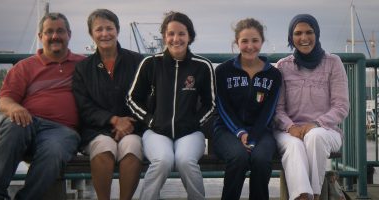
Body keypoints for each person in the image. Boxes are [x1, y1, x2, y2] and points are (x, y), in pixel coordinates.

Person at [0, 12, 85, 200]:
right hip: (28, 122)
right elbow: (5, 100)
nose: (55, 36)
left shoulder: (83, 65)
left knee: (54, 151)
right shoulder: (24, 67)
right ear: (41, 37)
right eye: (49, 32)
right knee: (12, 126)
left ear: (69, 35)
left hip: (62, 131)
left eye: (60, 31)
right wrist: (15, 108)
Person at [127, 11, 216, 200]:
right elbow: (132, 98)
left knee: (186, 161)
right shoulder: (150, 63)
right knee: (162, 161)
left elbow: (211, 104)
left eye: (182, 33)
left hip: (191, 133)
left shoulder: (202, 66)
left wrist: (193, 123)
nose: (176, 38)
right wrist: (151, 120)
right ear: (164, 36)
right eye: (171, 33)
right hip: (156, 132)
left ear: (190, 36)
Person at [274, 14, 349, 200]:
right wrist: (290, 126)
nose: (304, 38)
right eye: (298, 33)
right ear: (291, 38)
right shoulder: (283, 66)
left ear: (317, 34)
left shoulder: (333, 63)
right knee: (294, 146)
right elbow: (278, 109)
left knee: (314, 137)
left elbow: (341, 106)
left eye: (309, 32)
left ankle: (314, 195)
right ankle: (302, 196)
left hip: (325, 130)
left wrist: (316, 123)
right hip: (289, 131)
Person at [72, 9, 144, 200]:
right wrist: (113, 120)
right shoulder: (83, 68)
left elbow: (147, 99)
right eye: (99, 29)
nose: (105, 34)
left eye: (109, 28)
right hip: (97, 129)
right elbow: (84, 106)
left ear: (117, 30)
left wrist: (128, 123)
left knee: (133, 146)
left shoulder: (138, 61)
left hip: (132, 127)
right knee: (104, 146)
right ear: (91, 34)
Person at [212, 18, 282, 200]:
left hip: (261, 131)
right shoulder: (222, 71)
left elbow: (269, 111)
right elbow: (222, 106)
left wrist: (253, 138)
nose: (250, 46)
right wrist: (240, 132)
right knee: (238, 157)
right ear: (237, 43)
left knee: (261, 159)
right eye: (244, 41)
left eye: (255, 40)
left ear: (262, 42)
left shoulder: (273, 75)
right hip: (226, 130)